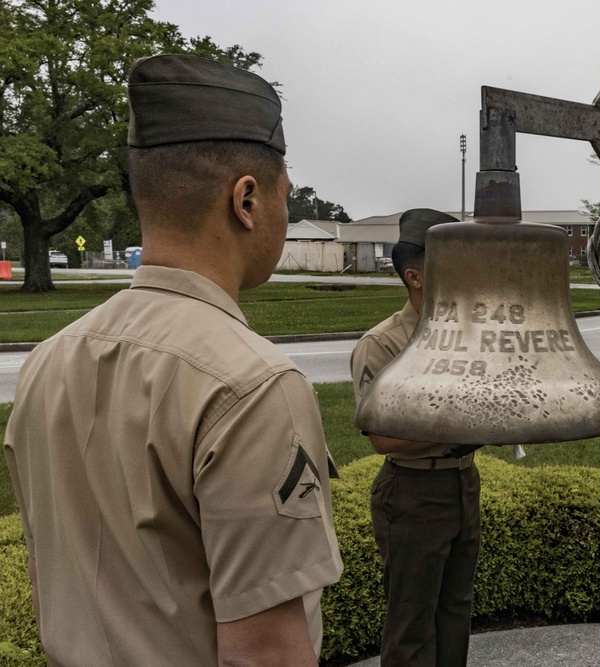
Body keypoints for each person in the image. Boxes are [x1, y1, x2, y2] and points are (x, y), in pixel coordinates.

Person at [3, 54, 343, 666]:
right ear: (247, 200)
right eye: (283, 198)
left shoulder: (48, 362)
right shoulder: (252, 384)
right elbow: (264, 656)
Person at [350, 208, 481, 667]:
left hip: (462, 484)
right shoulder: (383, 344)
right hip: (413, 492)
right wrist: (462, 423)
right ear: (415, 276)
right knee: (411, 625)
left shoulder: (468, 334)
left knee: (455, 614)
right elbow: (382, 436)